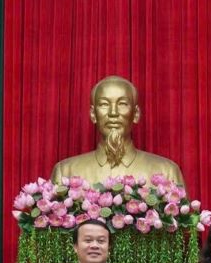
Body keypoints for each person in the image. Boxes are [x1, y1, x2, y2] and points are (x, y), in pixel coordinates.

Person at [50, 76, 185, 185]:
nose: (113, 113)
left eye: (122, 104)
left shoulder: (166, 172)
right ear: (93, 114)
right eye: (104, 104)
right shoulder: (66, 171)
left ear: (136, 114)